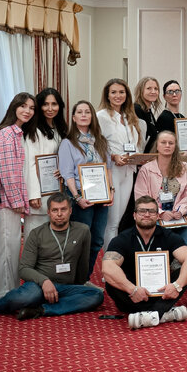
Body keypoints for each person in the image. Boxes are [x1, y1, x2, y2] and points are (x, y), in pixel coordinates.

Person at [0, 195, 103, 319]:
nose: (59, 214)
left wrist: (77, 286)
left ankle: (40, 310)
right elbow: (24, 269)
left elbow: (83, 264)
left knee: (96, 295)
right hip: (38, 287)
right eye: (55, 210)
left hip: (66, 287)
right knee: (24, 297)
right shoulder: (37, 234)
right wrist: (44, 282)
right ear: (48, 212)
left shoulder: (83, 231)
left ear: (70, 211)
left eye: (63, 209)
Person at [101, 196, 187, 329]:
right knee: (111, 282)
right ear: (134, 215)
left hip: (163, 293)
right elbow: (107, 267)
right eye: (142, 211)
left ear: (158, 216)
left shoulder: (168, 236)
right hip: (133, 295)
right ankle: (164, 314)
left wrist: (177, 286)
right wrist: (132, 289)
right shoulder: (122, 239)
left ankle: (148, 316)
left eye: (151, 211)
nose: (147, 215)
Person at [58, 100, 112, 276]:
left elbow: (108, 169)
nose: (83, 115)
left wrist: (111, 191)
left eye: (87, 112)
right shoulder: (68, 143)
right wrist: (77, 197)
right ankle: (75, 280)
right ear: (73, 118)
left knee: (97, 240)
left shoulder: (101, 141)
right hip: (80, 196)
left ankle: (85, 277)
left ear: (92, 116)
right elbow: (67, 174)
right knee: (80, 240)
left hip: (101, 196)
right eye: (79, 112)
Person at [0, 92, 35, 299]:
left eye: (31, 108)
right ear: (14, 107)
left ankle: (3, 291)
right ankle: (4, 294)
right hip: (7, 203)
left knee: (8, 247)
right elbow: (7, 172)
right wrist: (17, 201)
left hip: (10, 201)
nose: (27, 111)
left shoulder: (17, 132)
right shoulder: (8, 134)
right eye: (23, 106)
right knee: (6, 249)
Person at [97, 78, 141, 252]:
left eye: (121, 92)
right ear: (107, 95)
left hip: (128, 170)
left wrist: (139, 157)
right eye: (113, 92)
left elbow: (134, 144)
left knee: (119, 220)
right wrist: (113, 156)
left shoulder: (129, 116)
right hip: (112, 171)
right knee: (112, 222)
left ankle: (113, 257)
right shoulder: (101, 116)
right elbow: (97, 145)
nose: (118, 95)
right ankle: (109, 260)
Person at [134, 130, 187, 245]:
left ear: (175, 147)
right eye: (163, 142)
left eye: (171, 143)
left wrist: (180, 211)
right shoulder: (146, 169)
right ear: (157, 146)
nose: (167, 145)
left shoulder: (185, 168)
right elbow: (141, 198)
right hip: (154, 216)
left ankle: (183, 256)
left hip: (180, 216)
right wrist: (161, 213)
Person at [22, 87, 67, 234]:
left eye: (54, 104)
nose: (50, 108)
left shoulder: (59, 128)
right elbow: (29, 163)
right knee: (35, 234)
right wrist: (33, 194)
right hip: (40, 193)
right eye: (45, 104)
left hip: (56, 188)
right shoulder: (34, 130)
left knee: (54, 234)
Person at [153, 80, 187, 145]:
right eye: (170, 92)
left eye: (177, 91)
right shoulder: (163, 118)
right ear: (164, 96)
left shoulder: (182, 117)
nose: (174, 95)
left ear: (181, 94)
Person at [133, 76, 161, 153]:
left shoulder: (148, 111)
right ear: (141, 91)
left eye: (156, 89)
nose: (153, 91)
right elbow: (139, 140)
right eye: (149, 88)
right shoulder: (136, 110)